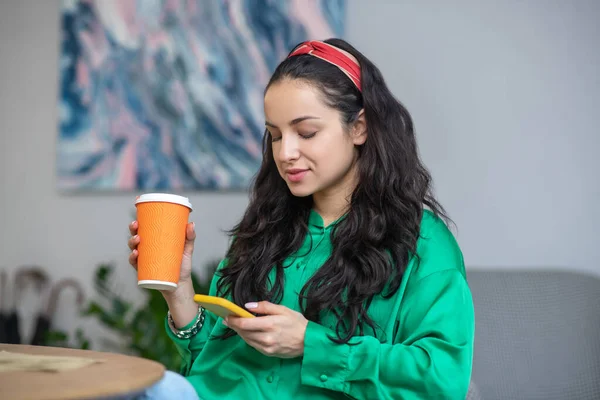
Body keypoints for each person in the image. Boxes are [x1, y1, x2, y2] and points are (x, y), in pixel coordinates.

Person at [127, 38, 475, 400]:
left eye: (306, 132)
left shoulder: (424, 244)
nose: (286, 153)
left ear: (359, 127)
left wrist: (311, 343)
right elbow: (212, 362)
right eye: (275, 136)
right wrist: (179, 292)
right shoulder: (264, 228)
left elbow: (442, 380)